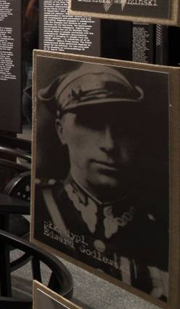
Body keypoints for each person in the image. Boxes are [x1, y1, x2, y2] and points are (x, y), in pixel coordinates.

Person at [34, 63, 168, 301]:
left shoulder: (156, 233)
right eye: (92, 123)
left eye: (122, 127)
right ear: (61, 131)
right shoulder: (42, 202)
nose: (109, 144)